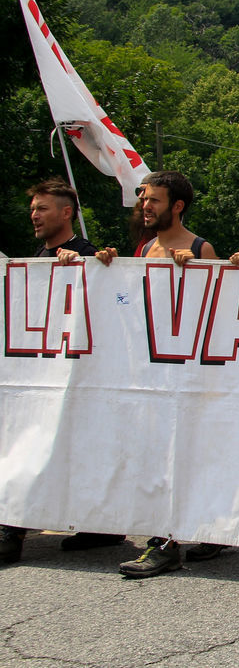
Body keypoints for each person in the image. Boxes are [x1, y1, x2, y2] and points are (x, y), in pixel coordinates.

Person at [95, 171, 226, 577]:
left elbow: (222, 314)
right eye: (142, 199)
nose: (144, 206)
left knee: (188, 455)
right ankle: (171, 535)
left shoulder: (201, 248)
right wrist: (108, 271)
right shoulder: (145, 248)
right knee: (156, 456)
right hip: (151, 375)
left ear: (178, 206)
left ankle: (174, 541)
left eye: (153, 199)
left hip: (191, 375)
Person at [0, 180, 122, 565]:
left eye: (42, 208)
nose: (34, 215)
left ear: (67, 213)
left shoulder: (86, 253)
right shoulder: (38, 256)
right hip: (41, 368)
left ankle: (15, 529)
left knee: (59, 447)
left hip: (76, 373)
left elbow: (111, 293)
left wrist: (90, 265)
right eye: (33, 208)